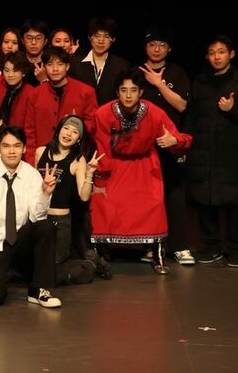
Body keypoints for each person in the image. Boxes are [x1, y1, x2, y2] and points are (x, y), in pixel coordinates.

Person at [89, 70, 192, 275]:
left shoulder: (154, 113)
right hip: (115, 164)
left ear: (141, 92)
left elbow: (181, 138)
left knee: (153, 202)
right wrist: (102, 176)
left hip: (145, 165)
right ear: (117, 93)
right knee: (104, 200)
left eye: (133, 90)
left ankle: (157, 253)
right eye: (124, 90)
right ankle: (101, 252)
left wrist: (174, 141)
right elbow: (102, 147)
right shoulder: (102, 113)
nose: (128, 95)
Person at [0, 126, 60, 308]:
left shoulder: (31, 174)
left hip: (19, 240)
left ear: (24, 148)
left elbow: (36, 216)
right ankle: (6, 273)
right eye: (6, 146)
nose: (11, 151)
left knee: (46, 226)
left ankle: (38, 289)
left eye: (17, 146)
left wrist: (45, 194)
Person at [137, 26, 194, 265]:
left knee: (174, 194)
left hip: (170, 143)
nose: (157, 49)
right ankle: (150, 245)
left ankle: (179, 247)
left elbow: (182, 105)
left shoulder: (177, 73)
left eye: (162, 45)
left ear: (169, 49)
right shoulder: (136, 72)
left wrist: (159, 83)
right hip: (143, 145)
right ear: (146, 48)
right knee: (147, 197)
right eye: (152, 44)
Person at [183, 35, 238, 266]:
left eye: (222, 52)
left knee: (234, 203)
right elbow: (191, 115)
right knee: (206, 201)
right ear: (207, 56)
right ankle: (212, 247)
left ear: (231, 54)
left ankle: (234, 249)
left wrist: (233, 109)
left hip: (231, 152)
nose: (217, 56)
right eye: (212, 52)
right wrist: (186, 144)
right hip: (203, 151)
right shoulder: (201, 81)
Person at [34, 115, 100, 284]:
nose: (69, 133)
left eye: (75, 132)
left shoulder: (78, 161)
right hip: (39, 218)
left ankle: (89, 265)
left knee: (50, 274)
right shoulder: (40, 152)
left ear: (78, 139)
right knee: (36, 269)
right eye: (66, 128)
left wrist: (90, 173)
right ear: (58, 130)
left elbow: (84, 196)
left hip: (60, 222)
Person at [23, 47, 97, 162]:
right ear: (44, 67)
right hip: (42, 157)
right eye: (50, 64)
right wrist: (32, 162)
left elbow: (93, 125)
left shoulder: (85, 92)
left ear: (67, 66)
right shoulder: (35, 94)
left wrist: (78, 124)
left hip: (74, 158)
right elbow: (29, 132)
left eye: (60, 64)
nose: (55, 69)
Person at [70, 17, 131, 105]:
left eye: (106, 36)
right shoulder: (75, 63)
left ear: (113, 39)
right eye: (97, 36)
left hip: (110, 116)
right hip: (81, 116)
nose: (101, 41)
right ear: (89, 37)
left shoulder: (122, 66)